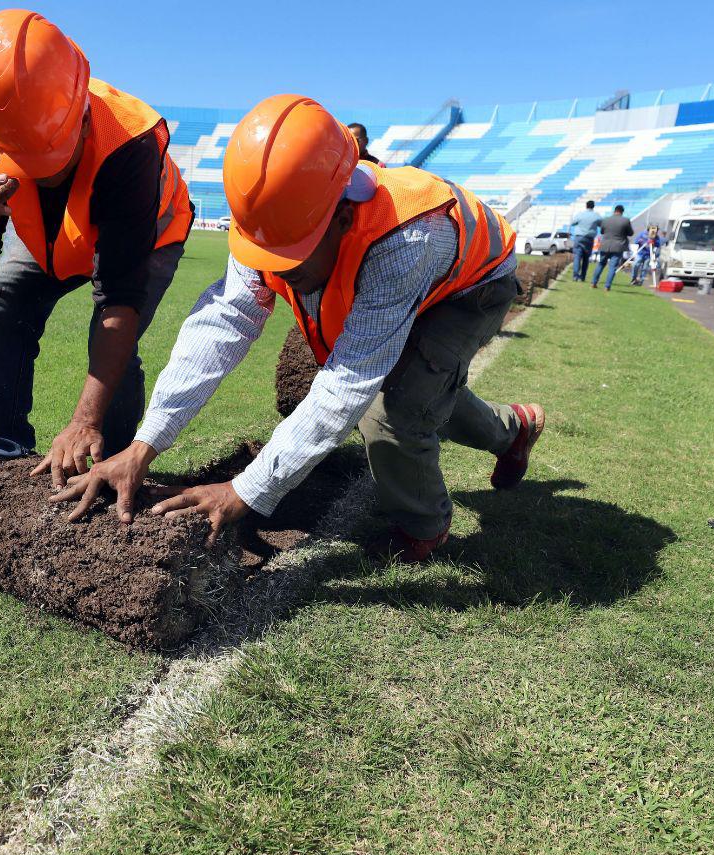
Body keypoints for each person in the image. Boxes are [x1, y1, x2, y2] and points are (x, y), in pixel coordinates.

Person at [53, 95, 544, 564]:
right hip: (420, 275)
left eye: (293, 256)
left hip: (473, 287)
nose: (279, 272)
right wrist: (144, 445)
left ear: (344, 217)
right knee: (427, 389)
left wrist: (245, 491)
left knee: (395, 406)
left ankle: (424, 526)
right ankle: (512, 430)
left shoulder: (404, 240)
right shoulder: (267, 217)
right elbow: (221, 327)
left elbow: (347, 382)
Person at [0, 10, 194, 501]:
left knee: (116, 341)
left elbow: (119, 299)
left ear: (84, 112)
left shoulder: (129, 142)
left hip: (151, 230)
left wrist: (84, 419)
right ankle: (5, 458)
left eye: (53, 153)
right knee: (2, 303)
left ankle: (107, 466)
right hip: (47, 233)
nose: (45, 174)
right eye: (28, 160)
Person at [592, 205, 633, 292]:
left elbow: (602, 231)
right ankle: (607, 286)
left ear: (614, 211)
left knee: (601, 264)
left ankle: (594, 282)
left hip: (605, 245)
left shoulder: (606, 220)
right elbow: (630, 233)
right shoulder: (625, 220)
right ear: (622, 212)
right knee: (612, 267)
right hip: (618, 246)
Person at [568, 200, 601, 281]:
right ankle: (582, 276)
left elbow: (572, 223)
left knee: (577, 256)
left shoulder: (580, 214)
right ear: (593, 206)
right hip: (589, 238)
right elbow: (601, 224)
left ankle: (575, 276)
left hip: (579, 237)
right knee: (586, 258)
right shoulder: (596, 215)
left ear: (586, 206)